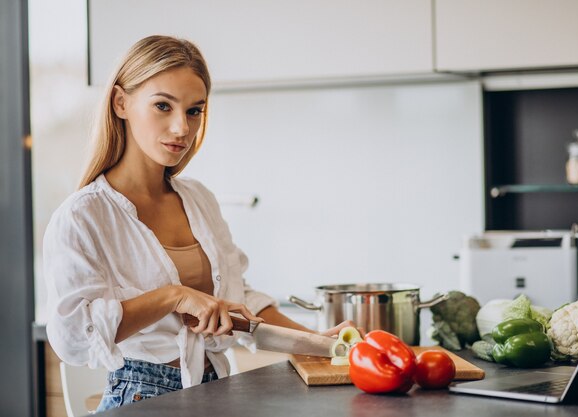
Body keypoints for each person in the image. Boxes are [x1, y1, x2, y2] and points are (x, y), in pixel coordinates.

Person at [44, 35, 354, 412]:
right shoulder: (83, 215)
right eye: (163, 106)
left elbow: (240, 301)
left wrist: (320, 342)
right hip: (139, 398)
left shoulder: (198, 199)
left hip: (215, 391)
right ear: (120, 102)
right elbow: (73, 336)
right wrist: (173, 296)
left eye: (194, 111)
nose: (181, 129)